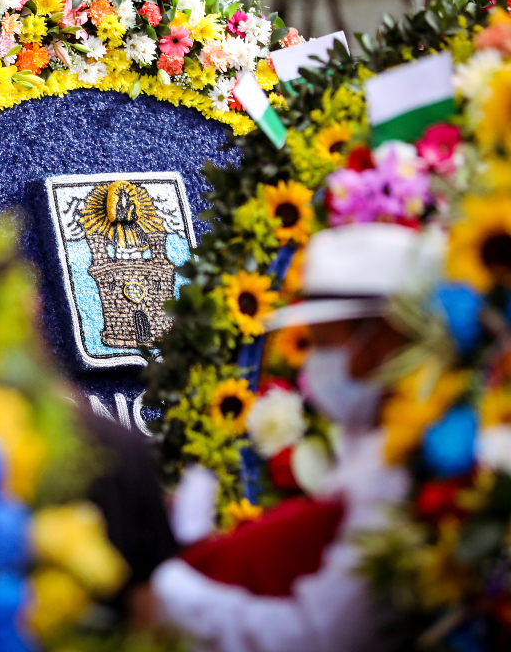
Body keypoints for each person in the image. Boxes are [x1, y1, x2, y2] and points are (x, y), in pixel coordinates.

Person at [150, 222, 443, 652]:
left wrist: (166, 594)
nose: (316, 365)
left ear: (385, 335)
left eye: (326, 343)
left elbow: (323, 638)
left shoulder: (413, 462)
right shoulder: (375, 441)